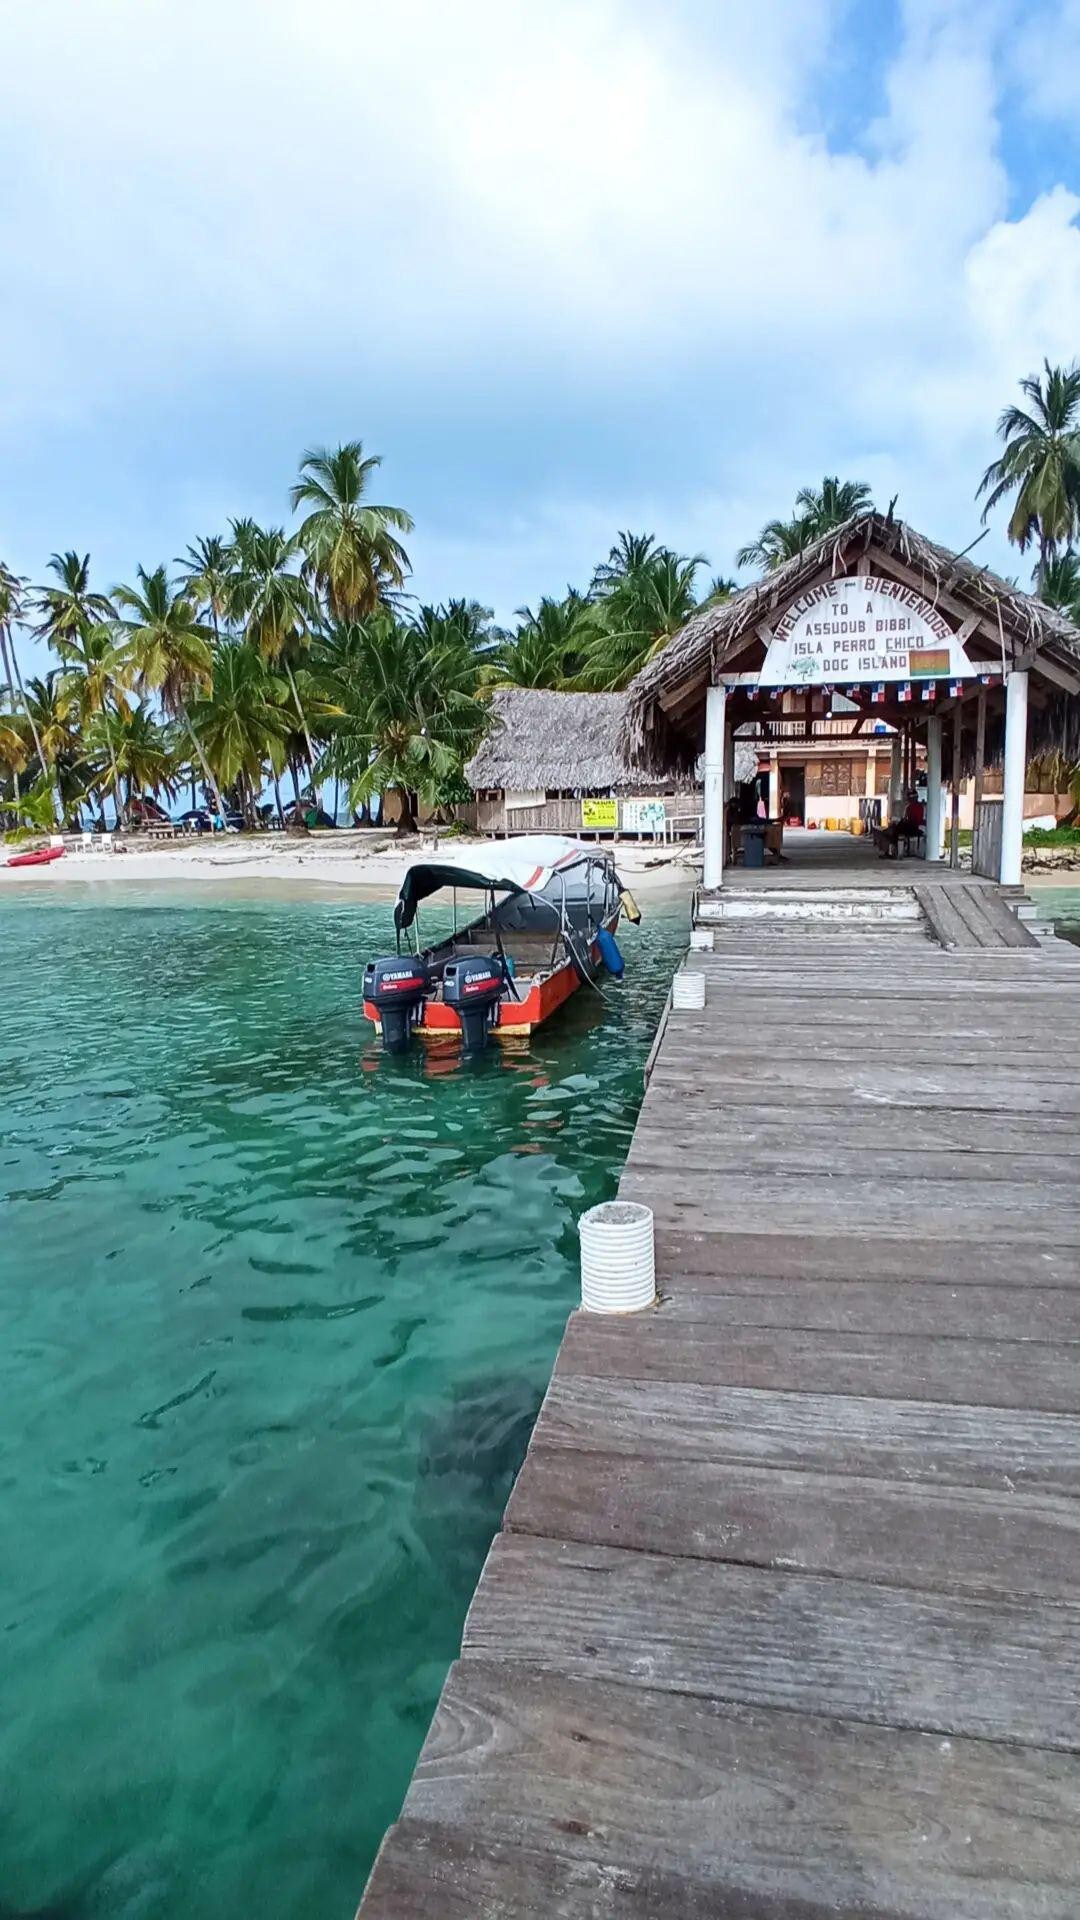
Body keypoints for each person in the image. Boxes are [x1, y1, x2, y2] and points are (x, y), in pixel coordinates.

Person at [876, 790, 925, 857]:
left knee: (896, 829)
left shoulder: (917, 807)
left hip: (914, 827)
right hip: (910, 826)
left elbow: (915, 820)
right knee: (896, 828)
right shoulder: (910, 807)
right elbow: (906, 818)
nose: (909, 800)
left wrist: (903, 821)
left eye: (909, 798)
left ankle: (892, 849)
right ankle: (893, 847)